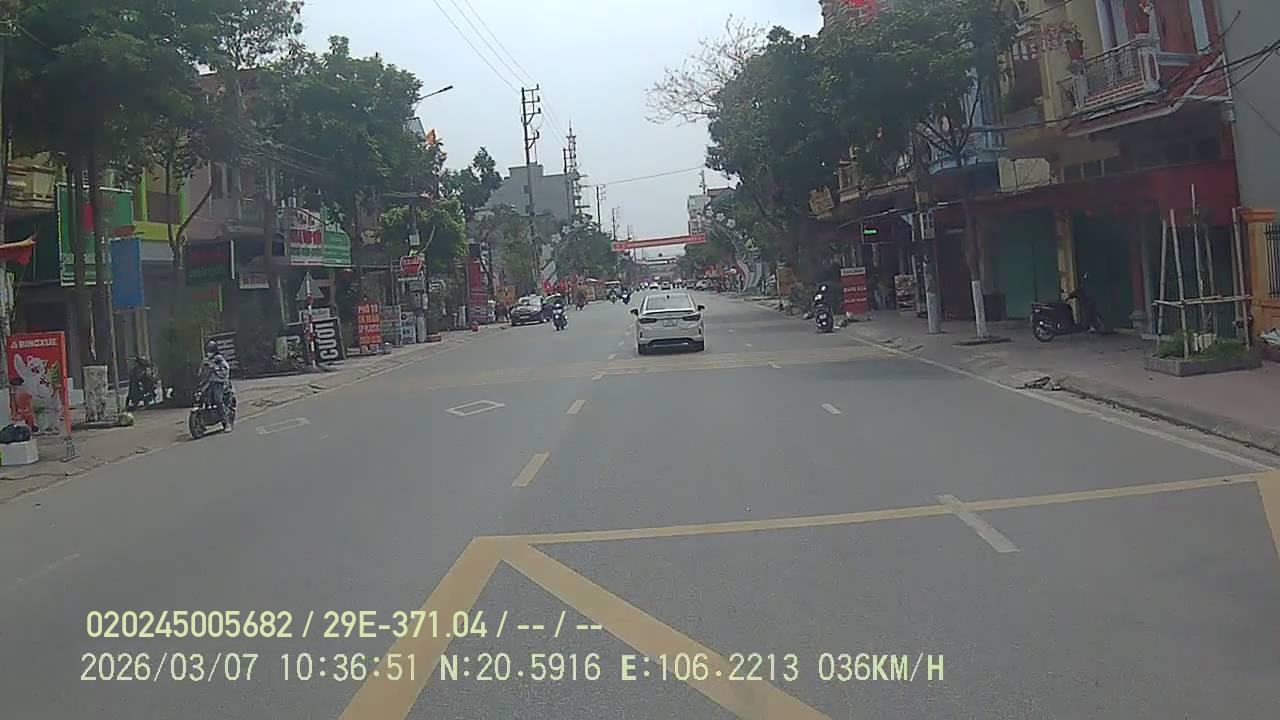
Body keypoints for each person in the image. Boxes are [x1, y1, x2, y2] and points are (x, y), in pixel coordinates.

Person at [198, 340, 232, 426]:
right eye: (208, 350)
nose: (209, 353)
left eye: (211, 350)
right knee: (202, 398)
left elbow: (226, 369)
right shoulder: (206, 360)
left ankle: (226, 422)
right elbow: (201, 371)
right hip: (207, 384)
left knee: (218, 400)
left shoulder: (219, 359)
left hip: (218, 383)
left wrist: (215, 369)